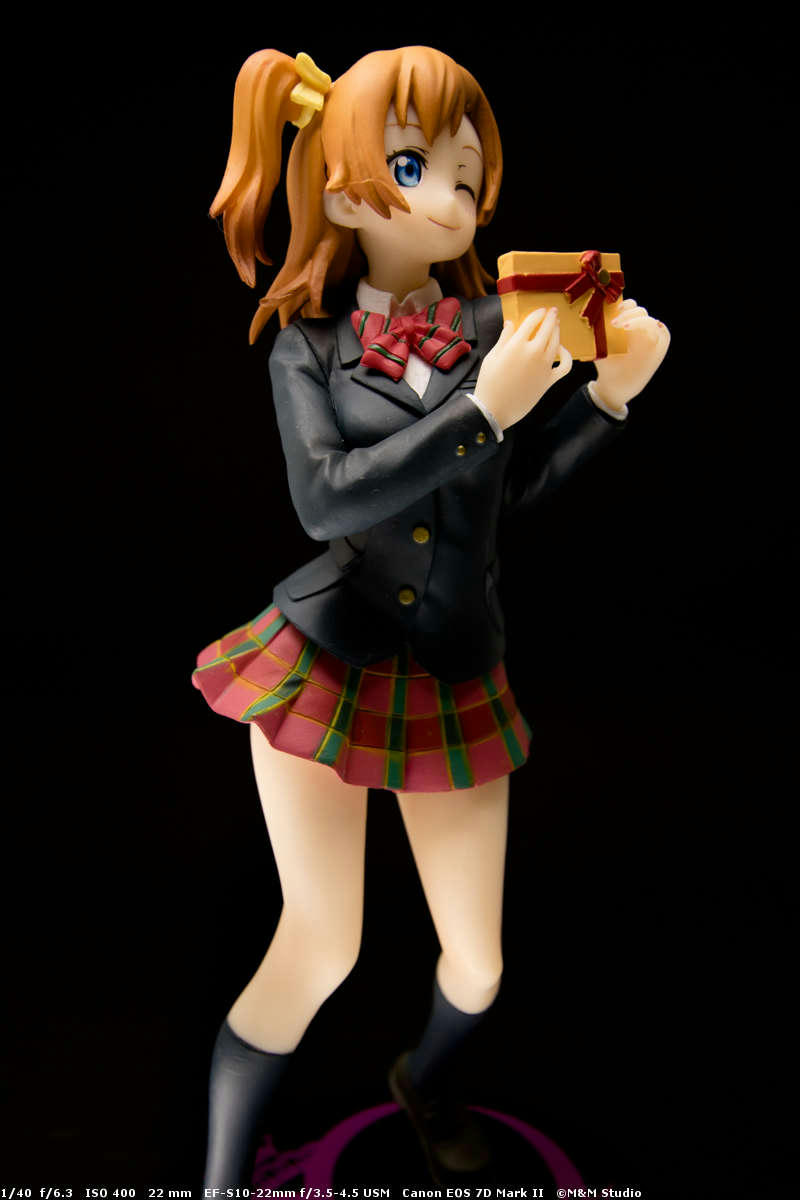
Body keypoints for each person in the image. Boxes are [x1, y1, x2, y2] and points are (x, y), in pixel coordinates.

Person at [193, 45, 670, 1187]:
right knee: (320, 944)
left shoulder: (497, 327)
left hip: (457, 666)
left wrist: (607, 398)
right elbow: (323, 501)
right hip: (325, 658)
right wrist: (481, 414)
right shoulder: (307, 345)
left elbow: (513, 493)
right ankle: (215, 1177)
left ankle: (424, 1079)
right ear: (345, 188)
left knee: (478, 968)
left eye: (467, 172)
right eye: (416, 166)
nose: (453, 197)